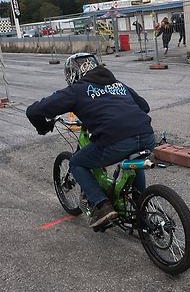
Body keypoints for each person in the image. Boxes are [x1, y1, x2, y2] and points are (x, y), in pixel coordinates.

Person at [26, 53, 155, 228]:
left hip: (116, 139)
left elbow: (34, 111)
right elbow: (144, 106)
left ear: (73, 73)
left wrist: (43, 127)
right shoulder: (117, 84)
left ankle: (102, 205)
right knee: (134, 158)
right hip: (147, 135)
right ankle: (141, 207)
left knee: (77, 162)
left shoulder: (77, 90)